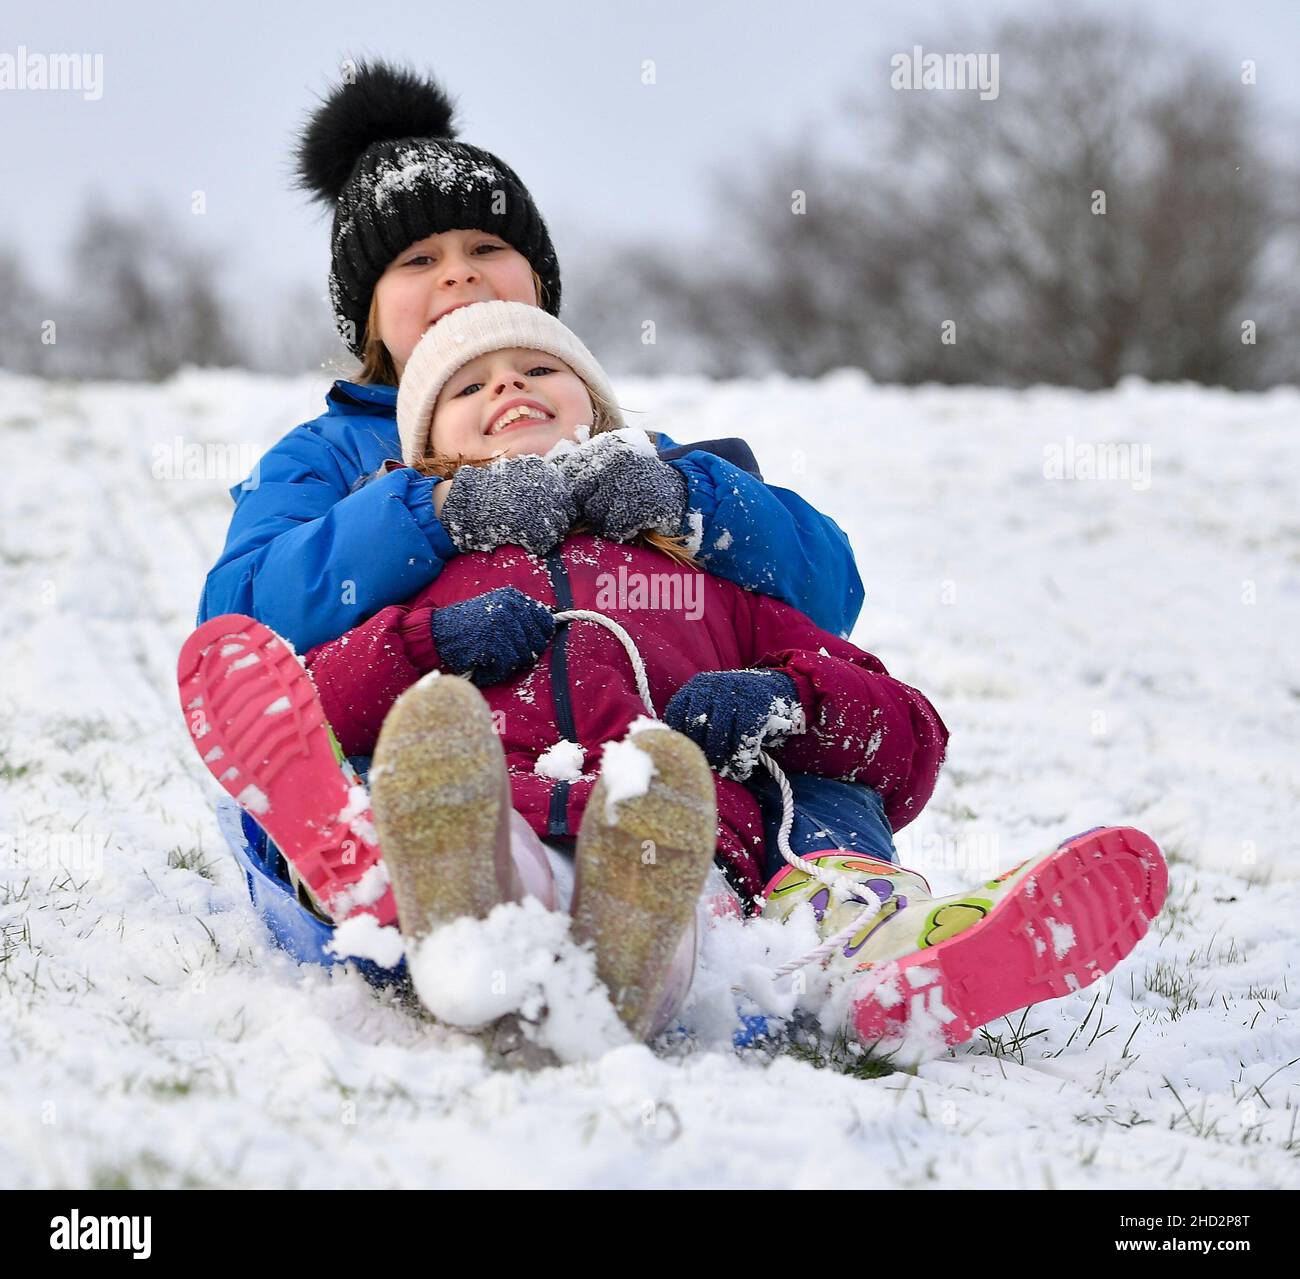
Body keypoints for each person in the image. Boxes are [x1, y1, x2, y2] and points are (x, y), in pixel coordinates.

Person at [179, 301, 1167, 1054]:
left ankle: (895, 966)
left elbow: (902, 729)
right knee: (482, 828)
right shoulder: (438, 572)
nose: (509, 387)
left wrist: (784, 704)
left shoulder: (698, 571)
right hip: (513, 810)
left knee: (684, 865)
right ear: (431, 449)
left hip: (684, 845)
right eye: (470, 388)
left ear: (599, 414)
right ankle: (434, 891)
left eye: (537, 368)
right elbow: (323, 699)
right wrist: (430, 641)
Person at [196, 57, 894, 934]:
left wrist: (687, 501)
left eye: (487, 248)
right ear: (367, 315)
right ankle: (396, 879)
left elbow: (827, 596)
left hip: (629, 752)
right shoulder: (324, 461)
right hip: (436, 738)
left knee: (803, 754)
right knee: (393, 755)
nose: (459, 274)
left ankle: (852, 915)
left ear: (542, 291)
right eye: (418, 259)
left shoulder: (622, 450)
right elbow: (241, 625)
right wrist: (434, 515)